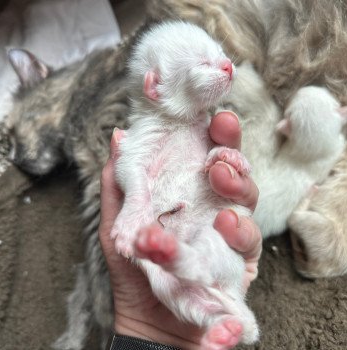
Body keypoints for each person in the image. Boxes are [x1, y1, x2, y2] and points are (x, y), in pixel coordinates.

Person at [99, 111, 262, 350]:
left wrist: (223, 158)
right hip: (172, 269)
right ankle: (223, 315)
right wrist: (134, 207)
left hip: (202, 252)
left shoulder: (207, 126)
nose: (229, 70)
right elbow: (130, 166)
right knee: (201, 261)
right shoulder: (151, 126)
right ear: (153, 84)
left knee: (212, 239)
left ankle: (222, 310)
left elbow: (207, 166)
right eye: (203, 68)